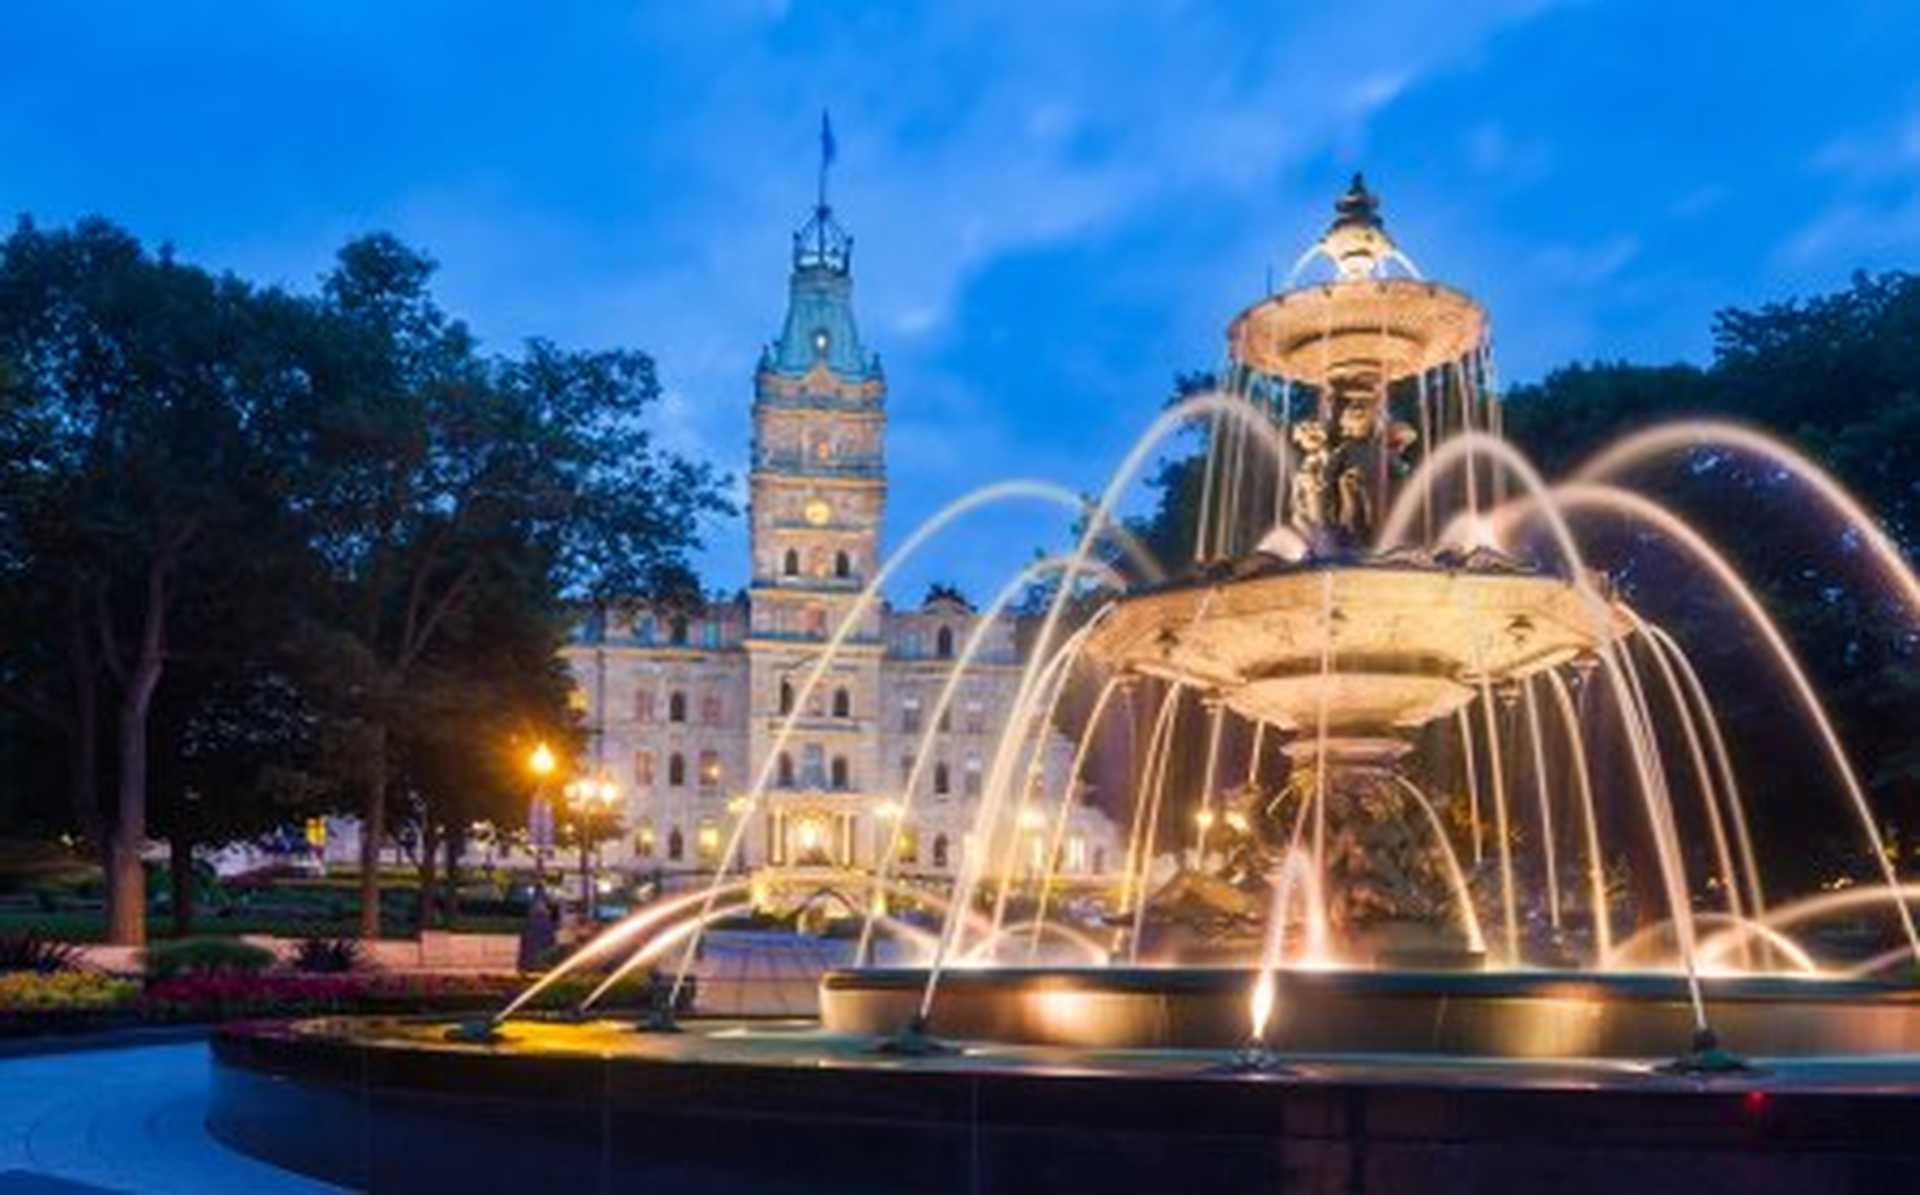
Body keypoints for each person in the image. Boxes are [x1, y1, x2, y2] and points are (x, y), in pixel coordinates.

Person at [517, 885, 556, 972]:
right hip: (542, 961)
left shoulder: (531, 921)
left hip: (530, 962)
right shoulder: (546, 921)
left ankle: (531, 965)